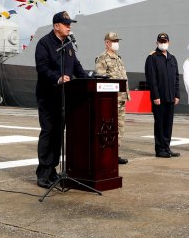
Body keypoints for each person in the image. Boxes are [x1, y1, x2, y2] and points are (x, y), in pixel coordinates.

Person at [34, 11, 88, 188]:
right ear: (56, 26)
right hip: (48, 96)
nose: (69, 26)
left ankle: (53, 171)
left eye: (69, 23)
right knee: (48, 132)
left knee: (58, 135)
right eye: (66, 24)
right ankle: (43, 173)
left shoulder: (69, 45)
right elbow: (42, 68)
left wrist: (91, 78)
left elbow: (77, 67)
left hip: (64, 97)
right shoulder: (45, 43)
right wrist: (57, 78)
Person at [144, 32, 181, 158]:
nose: (163, 44)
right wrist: (155, 96)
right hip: (159, 98)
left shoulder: (172, 58)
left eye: (165, 42)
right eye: (161, 42)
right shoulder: (152, 57)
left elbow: (176, 78)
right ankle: (160, 150)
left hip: (170, 97)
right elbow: (151, 79)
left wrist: (177, 95)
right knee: (159, 124)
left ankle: (167, 147)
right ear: (157, 43)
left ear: (169, 43)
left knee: (168, 124)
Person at [94, 31, 129, 165]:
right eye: (114, 41)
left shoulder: (119, 58)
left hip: (121, 99)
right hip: (110, 100)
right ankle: (106, 153)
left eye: (117, 41)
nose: (116, 43)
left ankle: (115, 153)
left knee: (120, 127)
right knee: (108, 127)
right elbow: (101, 80)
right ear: (107, 43)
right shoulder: (102, 58)